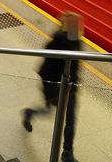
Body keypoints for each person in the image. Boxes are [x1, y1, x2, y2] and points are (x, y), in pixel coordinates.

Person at [22, 12, 83, 162]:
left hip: (70, 87)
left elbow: (75, 67)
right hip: (55, 86)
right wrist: (52, 89)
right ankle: (29, 113)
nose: (78, 27)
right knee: (49, 111)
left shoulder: (76, 41)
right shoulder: (56, 43)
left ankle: (67, 152)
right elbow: (46, 70)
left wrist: (74, 85)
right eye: (74, 24)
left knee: (70, 119)